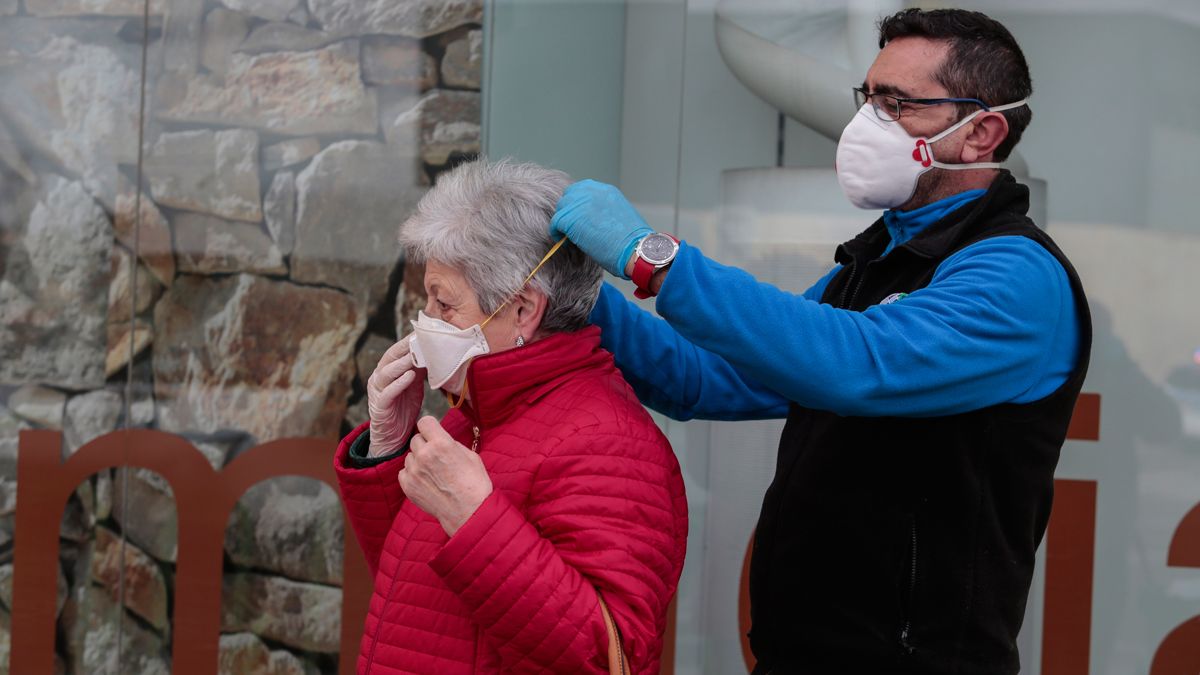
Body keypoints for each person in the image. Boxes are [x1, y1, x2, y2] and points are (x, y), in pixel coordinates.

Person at [550, 8, 1091, 675]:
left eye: (899, 103)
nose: (867, 122)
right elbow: (702, 376)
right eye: (869, 97)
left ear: (982, 132)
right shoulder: (875, 264)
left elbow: (858, 364)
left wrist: (651, 257)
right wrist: (574, 290)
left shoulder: (1016, 275)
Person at [335, 158, 688, 674]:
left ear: (524, 309)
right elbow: (419, 601)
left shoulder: (609, 440)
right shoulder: (473, 418)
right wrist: (388, 451)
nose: (425, 323)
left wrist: (475, 519)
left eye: (444, 304)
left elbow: (609, 657)